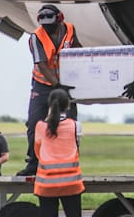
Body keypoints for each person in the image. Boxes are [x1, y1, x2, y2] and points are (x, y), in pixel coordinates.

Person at [18, 4, 82, 176]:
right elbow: (41, 64)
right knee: (34, 123)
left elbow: (77, 48)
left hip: (64, 84)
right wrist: (57, 85)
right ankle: (33, 163)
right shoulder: (36, 37)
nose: (47, 27)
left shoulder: (69, 29)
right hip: (43, 84)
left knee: (70, 124)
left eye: (50, 23)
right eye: (44, 24)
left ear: (59, 19)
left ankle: (71, 161)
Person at [34, 88, 84, 217]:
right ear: (67, 105)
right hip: (71, 183)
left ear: (49, 104)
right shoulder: (75, 125)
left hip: (46, 183)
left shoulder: (40, 126)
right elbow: (77, 146)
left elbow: (37, 151)